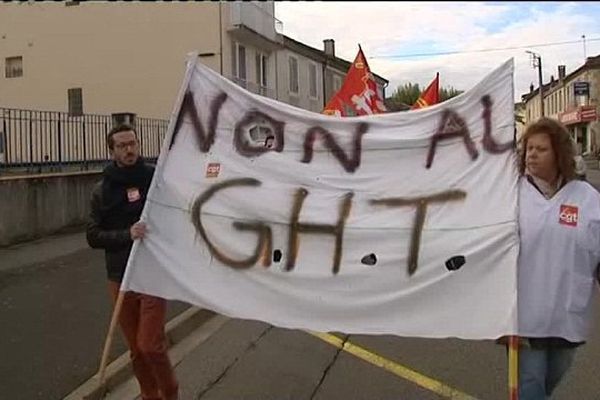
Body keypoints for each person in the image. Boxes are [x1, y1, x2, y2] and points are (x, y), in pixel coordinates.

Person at [86, 124, 178, 400]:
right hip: (121, 278)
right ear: (112, 150)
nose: (129, 150)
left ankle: (170, 391)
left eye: (133, 144)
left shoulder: (154, 178)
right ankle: (150, 395)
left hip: (152, 272)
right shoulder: (102, 190)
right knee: (137, 350)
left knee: (150, 344)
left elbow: (174, 214)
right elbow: (93, 235)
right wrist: (127, 234)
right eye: (122, 145)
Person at [516, 117, 600, 399]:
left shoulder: (586, 199)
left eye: (541, 149)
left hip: (567, 315)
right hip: (524, 317)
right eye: (529, 148)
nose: (532, 155)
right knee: (531, 386)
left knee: (548, 383)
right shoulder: (512, 196)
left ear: (559, 154)